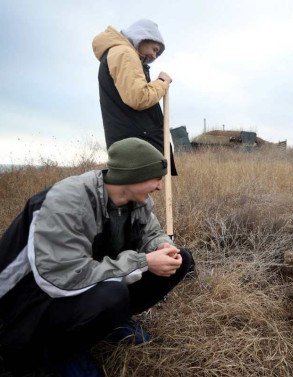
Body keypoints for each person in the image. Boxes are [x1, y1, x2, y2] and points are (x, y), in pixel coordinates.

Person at [0, 138, 194, 376]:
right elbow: (62, 277)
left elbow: (151, 232)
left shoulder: (136, 200)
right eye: (156, 178)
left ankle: (110, 322)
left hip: (79, 285)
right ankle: (60, 353)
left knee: (182, 259)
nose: (159, 186)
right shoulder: (67, 202)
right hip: (27, 305)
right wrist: (143, 261)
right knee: (112, 293)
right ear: (132, 176)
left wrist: (162, 246)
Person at [92, 19, 177, 175]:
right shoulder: (124, 53)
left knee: (134, 196)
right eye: (154, 48)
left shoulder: (117, 53)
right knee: (137, 193)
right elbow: (139, 97)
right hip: (136, 146)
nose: (154, 55)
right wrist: (162, 82)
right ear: (142, 37)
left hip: (130, 144)